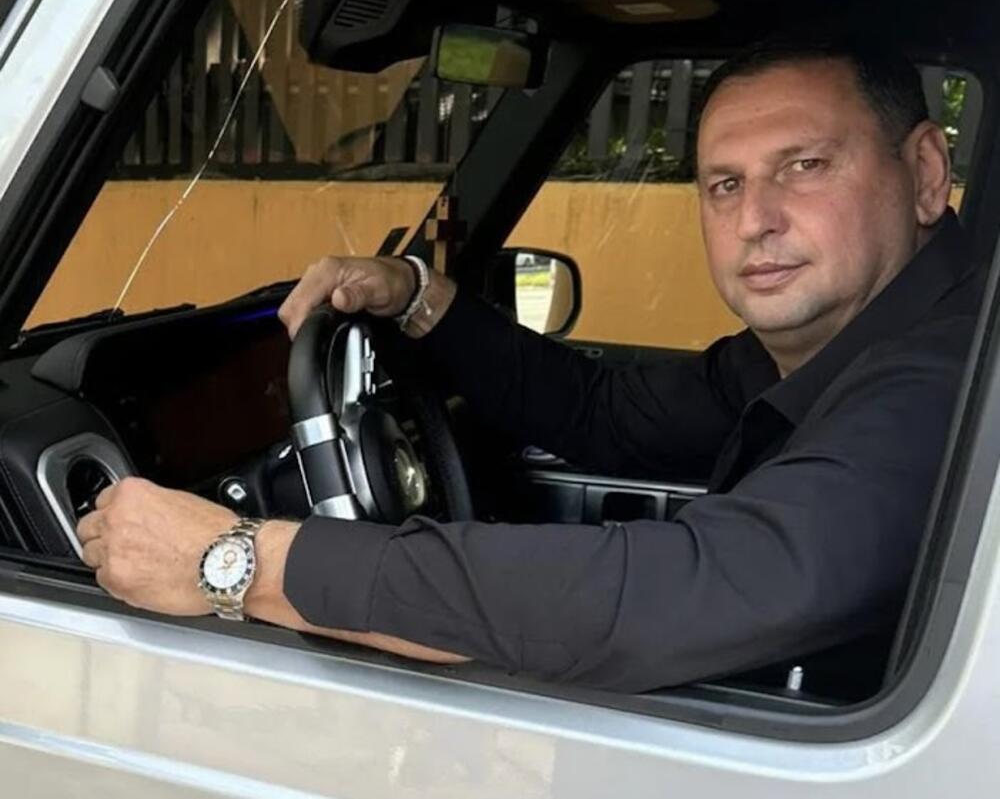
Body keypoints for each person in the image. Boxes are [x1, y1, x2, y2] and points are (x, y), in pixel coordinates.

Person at [75, 36, 982, 693]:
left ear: (926, 173)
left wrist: (235, 558)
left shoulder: (953, 381)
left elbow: (685, 591)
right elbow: (601, 411)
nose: (754, 220)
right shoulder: (825, 350)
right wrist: (419, 295)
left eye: (805, 165)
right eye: (725, 184)